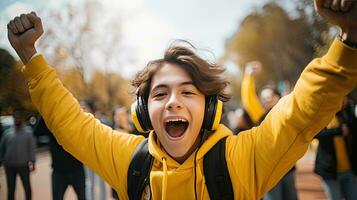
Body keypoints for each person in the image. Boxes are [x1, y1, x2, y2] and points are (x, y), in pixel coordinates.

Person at [6, 1, 357, 199]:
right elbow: (69, 124)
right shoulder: (129, 161)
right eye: (160, 94)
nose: (173, 101)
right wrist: (30, 58)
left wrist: (348, 40)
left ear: (210, 108)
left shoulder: (241, 160)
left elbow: (301, 113)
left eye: (188, 92)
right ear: (144, 112)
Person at [241, 63, 298, 200]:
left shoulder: (286, 112)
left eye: (271, 95)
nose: (267, 99)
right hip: (269, 171)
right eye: (264, 97)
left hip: (288, 169)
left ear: (278, 97)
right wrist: (248, 75)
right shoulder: (260, 116)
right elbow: (248, 98)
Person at [314, 95, 357, 200]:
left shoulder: (348, 115)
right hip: (330, 172)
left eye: (344, 97)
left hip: (349, 170)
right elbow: (315, 134)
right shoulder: (322, 116)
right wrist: (338, 131)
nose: (342, 100)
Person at [34, 117, 86, 200]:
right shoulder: (50, 121)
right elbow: (36, 132)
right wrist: (46, 112)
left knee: (82, 197)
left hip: (76, 169)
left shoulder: (73, 117)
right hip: (59, 171)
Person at [0, 110, 36, 200]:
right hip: (10, 166)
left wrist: (33, 162)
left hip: (23, 165)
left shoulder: (28, 132)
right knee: (11, 188)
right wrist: (3, 160)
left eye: (19, 118)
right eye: (16, 118)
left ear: (21, 119)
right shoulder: (7, 133)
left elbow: (31, 148)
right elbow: (2, 148)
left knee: (27, 187)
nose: (17, 120)